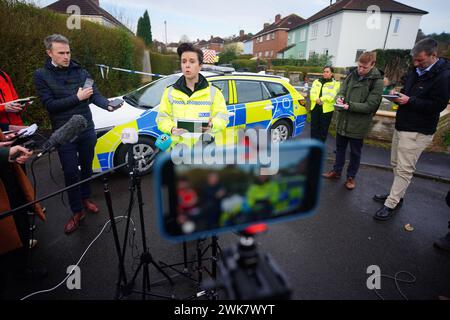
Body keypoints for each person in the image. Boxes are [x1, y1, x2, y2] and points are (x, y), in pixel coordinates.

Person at [33, 34, 123, 234]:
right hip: (64, 133)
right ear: (49, 53)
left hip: (86, 129)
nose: (66, 56)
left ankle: (86, 198)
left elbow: (94, 95)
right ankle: (76, 211)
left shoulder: (81, 71)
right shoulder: (41, 75)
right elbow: (50, 106)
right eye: (61, 53)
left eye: (68, 52)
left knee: (87, 167)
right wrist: (77, 97)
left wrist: (107, 105)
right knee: (71, 172)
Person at [373, 38, 450, 221]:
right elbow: (408, 89)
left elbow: (438, 106)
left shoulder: (445, 76)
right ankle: (397, 195)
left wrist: (409, 101)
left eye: (420, 60)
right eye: (414, 60)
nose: (416, 64)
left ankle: (391, 203)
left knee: (404, 170)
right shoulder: (415, 70)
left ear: (434, 56)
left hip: (418, 130)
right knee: (395, 164)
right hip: (402, 125)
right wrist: (396, 93)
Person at [322, 51, 383, 190]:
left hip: (358, 125)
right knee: (339, 149)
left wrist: (349, 105)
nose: (360, 70)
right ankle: (336, 171)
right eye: (359, 66)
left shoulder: (377, 82)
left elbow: (371, 105)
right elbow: (342, 90)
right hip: (343, 121)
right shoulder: (351, 75)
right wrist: (340, 98)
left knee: (355, 153)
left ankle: (351, 177)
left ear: (372, 65)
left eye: (364, 67)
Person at [156, 43, 229, 149]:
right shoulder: (169, 92)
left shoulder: (214, 92)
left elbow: (223, 119)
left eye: (192, 61)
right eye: (183, 61)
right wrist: (171, 129)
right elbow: (162, 118)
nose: (187, 65)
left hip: (205, 150)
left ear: (200, 65)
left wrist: (212, 124)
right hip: (178, 150)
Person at [0, 137, 46, 295]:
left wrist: (7, 147)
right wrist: (5, 152)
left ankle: (21, 271)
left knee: (21, 224)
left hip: (9, 180)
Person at [309, 66, 340, 142]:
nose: (325, 73)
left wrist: (321, 99)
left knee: (323, 128)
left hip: (326, 110)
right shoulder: (316, 81)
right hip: (315, 107)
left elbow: (332, 96)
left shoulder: (336, 84)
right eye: (324, 71)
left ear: (331, 73)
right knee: (314, 128)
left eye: (327, 72)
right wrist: (316, 99)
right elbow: (312, 93)